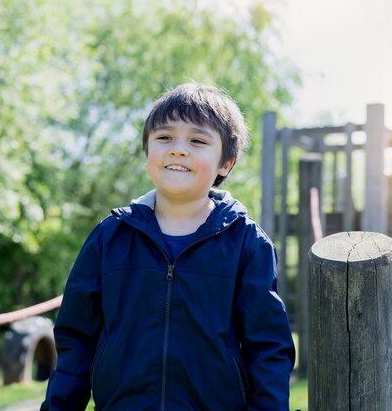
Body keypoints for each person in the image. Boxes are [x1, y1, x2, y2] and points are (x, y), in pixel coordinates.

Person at [41, 83, 295, 411]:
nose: (178, 149)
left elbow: (268, 348)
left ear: (226, 163)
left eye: (197, 140)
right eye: (164, 137)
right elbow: (77, 340)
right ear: (147, 152)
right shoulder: (110, 237)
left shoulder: (246, 242)